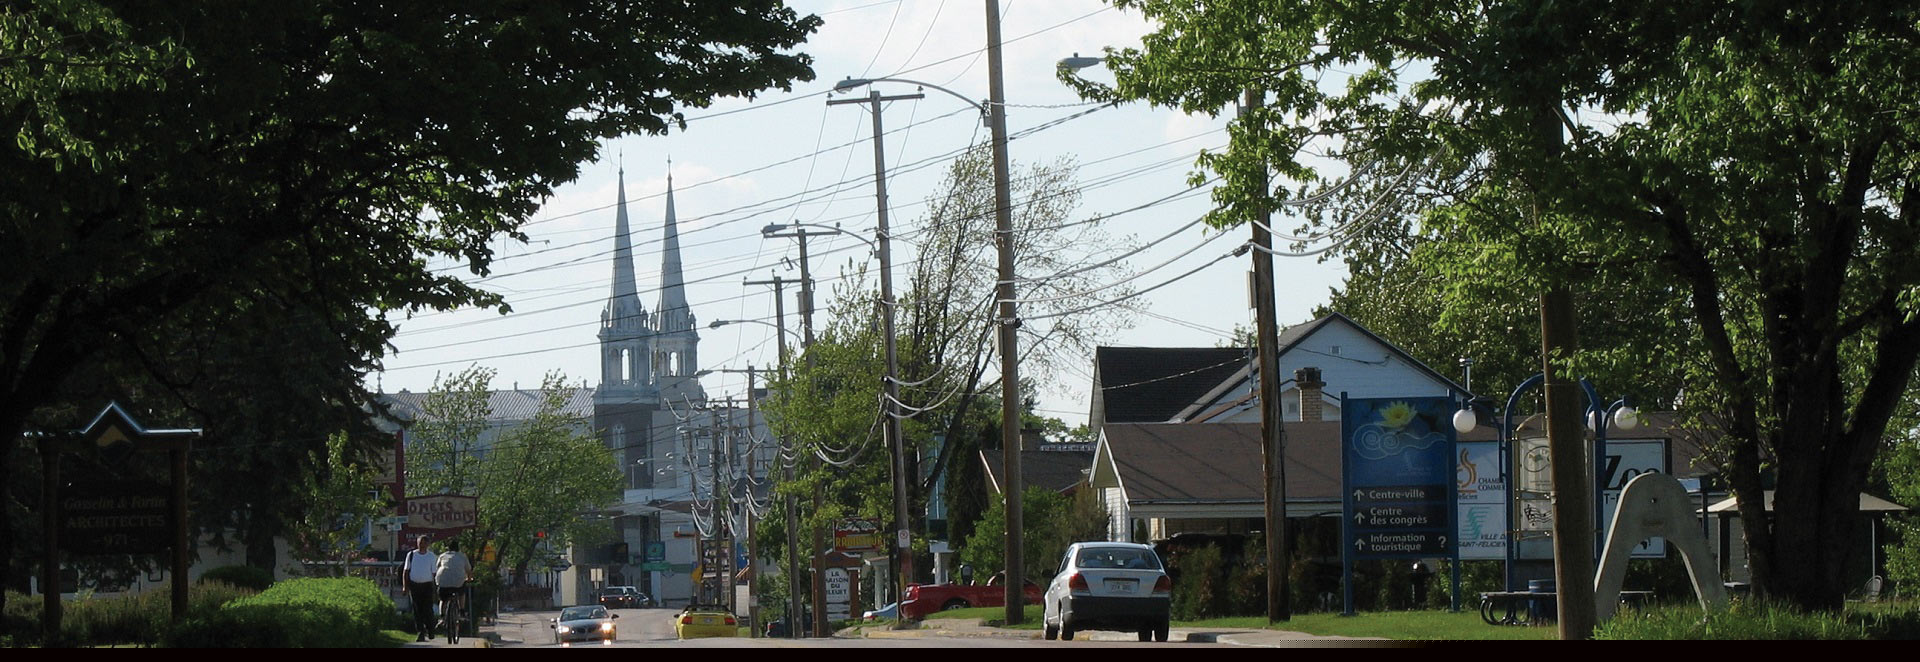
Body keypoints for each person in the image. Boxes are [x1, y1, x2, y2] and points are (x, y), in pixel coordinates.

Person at [401, 535, 438, 642]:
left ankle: (430, 629)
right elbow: (406, 571)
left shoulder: (431, 556)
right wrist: (405, 586)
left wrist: (435, 587)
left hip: (427, 585)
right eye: (419, 542)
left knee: (427, 609)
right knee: (417, 610)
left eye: (423, 543)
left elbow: (434, 572)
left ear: (428, 544)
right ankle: (420, 632)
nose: (421, 545)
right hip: (414, 585)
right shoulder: (411, 555)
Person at [435, 540, 472, 641]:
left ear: (448, 548)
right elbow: (468, 570)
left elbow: (437, 567)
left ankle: (441, 617)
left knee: (442, 599)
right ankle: (462, 611)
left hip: (443, 580)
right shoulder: (462, 556)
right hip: (458, 581)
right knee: (462, 593)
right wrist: (469, 578)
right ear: (458, 548)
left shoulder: (442, 556)